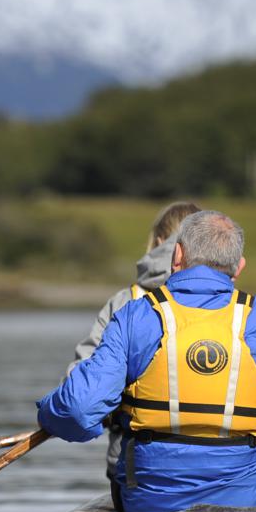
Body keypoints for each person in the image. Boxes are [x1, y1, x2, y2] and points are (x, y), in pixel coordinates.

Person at [37, 210, 256, 512]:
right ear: (239, 267)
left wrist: (49, 416)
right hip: (251, 496)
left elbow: (78, 410)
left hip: (152, 499)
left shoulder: (135, 315)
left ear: (177, 255)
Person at [69, 200, 201, 492]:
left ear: (157, 242)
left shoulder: (125, 303)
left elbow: (83, 390)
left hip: (138, 473)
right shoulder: (235, 306)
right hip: (232, 470)